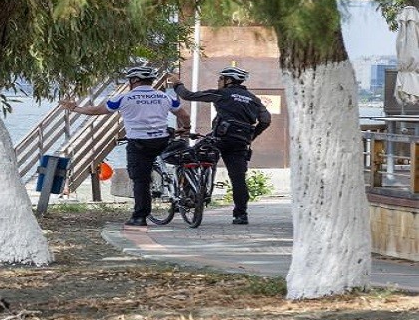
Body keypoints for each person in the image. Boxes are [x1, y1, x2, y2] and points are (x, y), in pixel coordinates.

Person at [60, 67, 191, 227]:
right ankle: (182, 192)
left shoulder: (124, 98)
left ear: (134, 80)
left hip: (139, 143)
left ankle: (139, 217)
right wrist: (186, 129)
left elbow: (95, 111)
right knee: (177, 159)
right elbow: (184, 115)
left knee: (140, 180)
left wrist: (74, 108)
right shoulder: (165, 97)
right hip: (162, 139)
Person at [167, 66, 271, 225]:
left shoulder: (222, 94)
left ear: (228, 80)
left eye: (220, 79)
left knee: (189, 158)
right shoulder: (254, 99)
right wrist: (251, 136)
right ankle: (240, 215)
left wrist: (176, 83)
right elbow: (265, 120)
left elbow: (188, 95)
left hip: (219, 139)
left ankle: (189, 197)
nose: (218, 81)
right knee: (238, 179)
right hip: (241, 142)